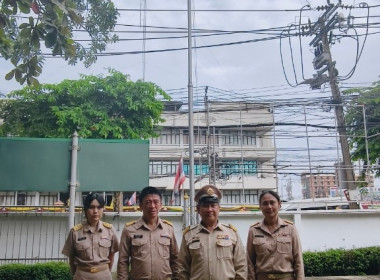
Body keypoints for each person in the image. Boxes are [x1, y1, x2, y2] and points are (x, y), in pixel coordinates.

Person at [178, 184, 247, 280]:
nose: (209, 209)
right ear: (198, 209)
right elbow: (182, 269)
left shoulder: (232, 233)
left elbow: (241, 267)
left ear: (219, 208)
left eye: (213, 205)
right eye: (205, 206)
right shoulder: (189, 235)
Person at [117, 186, 179, 280]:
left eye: (156, 202)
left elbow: (176, 260)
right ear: (140, 205)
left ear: (161, 205)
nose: (152, 206)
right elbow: (123, 261)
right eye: (148, 202)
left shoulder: (168, 229)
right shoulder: (129, 230)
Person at [246, 190, 304, 280]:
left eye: (272, 203)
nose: (269, 207)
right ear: (260, 207)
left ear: (279, 204)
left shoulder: (290, 228)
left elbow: (298, 261)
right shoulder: (254, 230)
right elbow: (249, 263)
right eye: (265, 203)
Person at [62, 193, 119, 280]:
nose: (95, 211)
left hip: (104, 276)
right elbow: (71, 259)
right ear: (85, 209)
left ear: (103, 209)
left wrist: (105, 271)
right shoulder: (75, 232)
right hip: (82, 276)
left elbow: (111, 256)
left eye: (99, 207)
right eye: (91, 207)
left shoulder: (110, 230)